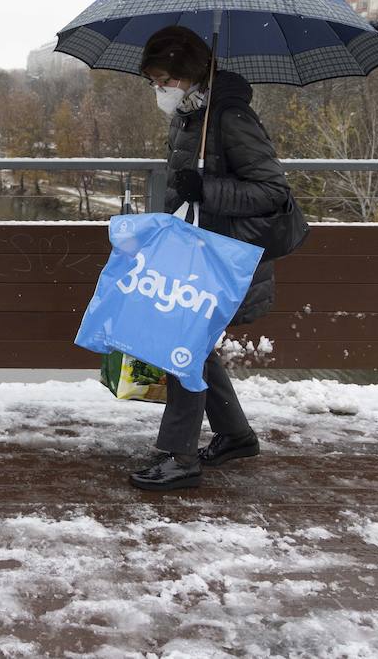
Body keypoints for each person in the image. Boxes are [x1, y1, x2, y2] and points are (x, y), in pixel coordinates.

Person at [129, 25, 291, 491]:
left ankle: (179, 457)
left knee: (183, 347)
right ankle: (236, 436)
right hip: (196, 252)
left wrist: (209, 190)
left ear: (188, 73)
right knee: (193, 347)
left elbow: (272, 191)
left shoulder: (229, 116)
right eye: (153, 82)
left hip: (225, 258)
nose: (158, 90)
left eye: (163, 80)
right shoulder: (190, 116)